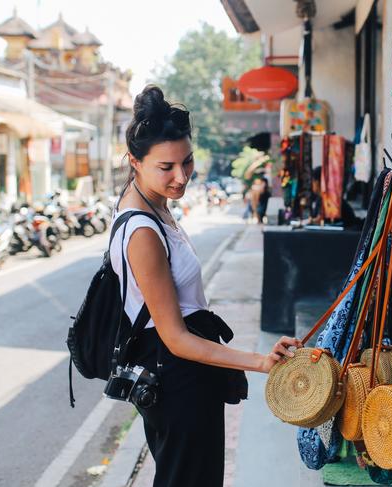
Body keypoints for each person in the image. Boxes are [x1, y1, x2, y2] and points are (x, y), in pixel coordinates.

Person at [110, 85, 301, 487]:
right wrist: (260, 362)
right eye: (166, 167)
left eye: (188, 161)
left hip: (183, 373)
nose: (181, 177)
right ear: (135, 162)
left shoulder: (152, 204)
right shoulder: (142, 231)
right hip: (177, 378)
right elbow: (176, 338)